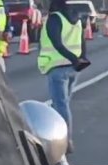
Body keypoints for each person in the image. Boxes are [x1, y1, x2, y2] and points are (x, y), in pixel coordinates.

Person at [37, 0, 90, 155]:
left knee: (60, 106)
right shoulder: (76, 18)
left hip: (57, 68)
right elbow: (82, 41)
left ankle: (65, 141)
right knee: (62, 104)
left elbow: (57, 43)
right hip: (73, 69)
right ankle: (54, 134)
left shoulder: (55, 19)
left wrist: (74, 59)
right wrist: (82, 59)